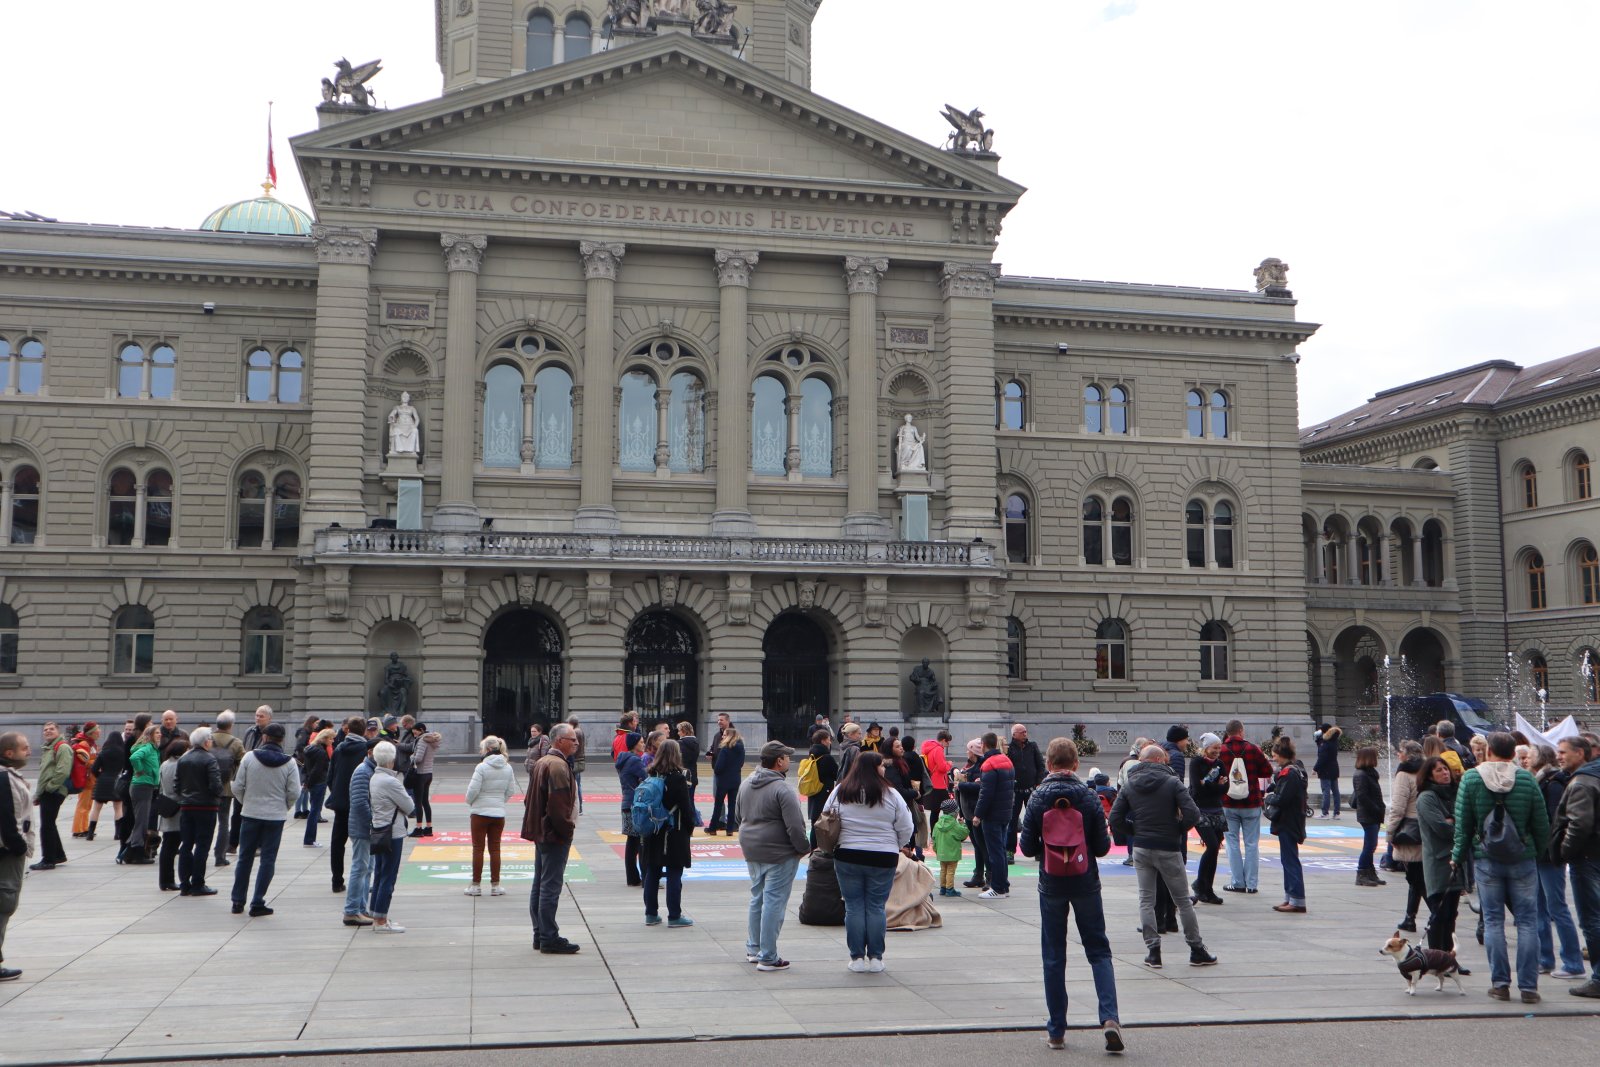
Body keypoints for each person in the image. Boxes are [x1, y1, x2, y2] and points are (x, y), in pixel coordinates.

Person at [1019, 737, 1122, 1053]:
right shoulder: (1088, 797)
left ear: (1049, 764)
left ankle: (1057, 1031)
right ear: (1076, 764)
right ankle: (1109, 1019)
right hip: (1085, 882)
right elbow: (1104, 847)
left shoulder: (1038, 798)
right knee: (1099, 951)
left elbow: (1027, 847)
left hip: (1051, 883)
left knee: (1053, 956)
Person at [1451, 731, 1550, 1003]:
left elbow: (1463, 824)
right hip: (1522, 857)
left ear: (1489, 751)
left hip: (1487, 858)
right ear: (1514, 753)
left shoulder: (1471, 778)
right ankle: (1529, 987)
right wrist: (1537, 851)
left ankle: (1501, 984)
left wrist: (1457, 856)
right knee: (1528, 921)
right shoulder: (1527, 779)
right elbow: (1542, 823)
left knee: (1493, 921)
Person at [1110, 745, 1215, 967]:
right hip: (1168, 846)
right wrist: (1177, 830)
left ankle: (1153, 952)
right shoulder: (1172, 782)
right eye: (1165, 759)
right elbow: (1193, 814)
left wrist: (1136, 831)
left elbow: (1115, 819)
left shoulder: (1129, 784)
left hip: (1142, 847)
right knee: (1182, 902)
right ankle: (1196, 949)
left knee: (1146, 900)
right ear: (1159, 760)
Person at [824, 751, 913, 973]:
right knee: (876, 906)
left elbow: (826, 817)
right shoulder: (891, 794)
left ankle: (856, 958)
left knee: (853, 906)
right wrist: (897, 844)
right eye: (881, 765)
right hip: (883, 856)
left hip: (848, 854)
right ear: (875, 768)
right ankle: (875, 957)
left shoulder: (841, 790)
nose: (884, 769)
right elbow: (906, 826)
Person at [230, 722, 300, 917]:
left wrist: (247, 802)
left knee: (244, 858)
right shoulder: (289, 762)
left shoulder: (249, 757)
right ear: (282, 740)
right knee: (268, 860)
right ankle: (258, 900)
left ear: (264, 738)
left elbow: (237, 786)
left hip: (251, 814)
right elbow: (294, 791)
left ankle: (237, 900)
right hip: (275, 817)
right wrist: (283, 806)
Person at [523, 722, 581, 954]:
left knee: (540, 883)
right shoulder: (557, 766)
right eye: (572, 739)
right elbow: (558, 806)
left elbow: (531, 799)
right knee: (550, 885)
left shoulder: (544, 762)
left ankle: (540, 933)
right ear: (560, 741)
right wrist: (566, 830)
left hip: (542, 831)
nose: (576, 743)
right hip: (553, 833)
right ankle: (548, 936)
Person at [1531, 744, 1586, 979]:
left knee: (1556, 907)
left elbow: (1554, 820)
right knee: (1539, 908)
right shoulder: (1542, 779)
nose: (1524, 759)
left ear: (1541, 758)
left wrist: (1554, 849)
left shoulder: (1552, 782)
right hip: (1539, 853)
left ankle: (1573, 963)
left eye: (1529, 755)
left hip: (1548, 854)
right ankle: (1545, 959)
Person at [1551, 735, 1600, 998]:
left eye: (1563, 752)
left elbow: (1579, 824)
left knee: (1592, 920)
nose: (1558, 756)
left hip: (1588, 858)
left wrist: (1565, 851)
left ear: (1581, 754)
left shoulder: (1582, 782)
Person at [638, 738, 695, 928]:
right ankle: (674, 915)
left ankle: (651, 914)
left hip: (653, 829)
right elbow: (686, 808)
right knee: (674, 873)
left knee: (652, 871)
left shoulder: (651, 774)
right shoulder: (678, 777)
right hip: (674, 830)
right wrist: (690, 826)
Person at [1219, 720, 1273, 894]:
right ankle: (1251, 885)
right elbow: (1267, 771)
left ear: (1227, 733)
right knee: (1251, 844)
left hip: (1228, 802)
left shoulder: (1220, 750)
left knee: (1232, 842)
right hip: (1251, 802)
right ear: (1241, 731)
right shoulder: (1253, 749)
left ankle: (1237, 882)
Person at [366, 741, 415, 933]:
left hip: (379, 828)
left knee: (379, 874)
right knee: (388, 876)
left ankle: (376, 913)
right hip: (392, 832)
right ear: (392, 759)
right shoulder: (391, 782)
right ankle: (381, 920)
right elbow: (410, 807)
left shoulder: (374, 778)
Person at [0, 731, 36, 982]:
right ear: (9, 753)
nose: (29, 751)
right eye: (24, 748)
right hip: (7, 851)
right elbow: (8, 818)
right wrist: (20, 847)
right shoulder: (5, 778)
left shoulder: (8, 776)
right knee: (5, 901)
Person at [464, 735, 518, 898]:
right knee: (495, 849)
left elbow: (473, 790)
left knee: (478, 849)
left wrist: (470, 802)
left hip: (479, 813)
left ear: (487, 749)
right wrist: (500, 802)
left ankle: (476, 885)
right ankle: (495, 885)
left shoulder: (481, 767)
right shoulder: (508, 767)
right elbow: (511, 791)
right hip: (498, 813)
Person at [174, 726, 223, 896]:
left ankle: (184, 883)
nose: (211, 741)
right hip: (206, 807)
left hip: (187, 806)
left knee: (186, 845)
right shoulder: (210, 759)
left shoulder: (184, 759)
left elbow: (176, 784)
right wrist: (216, 795)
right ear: (205, 741)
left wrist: (185, 796)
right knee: (202, 845)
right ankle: (198, 883)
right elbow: (215, 785)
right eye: (210, 738)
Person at [325, 716, 370, 896]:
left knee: (338, 842)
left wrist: (337, 793)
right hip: (361, 803)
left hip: (341, 804)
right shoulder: (366, 750)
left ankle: (337, 881)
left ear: (347, 730)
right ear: (364, 730)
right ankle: (364, 880)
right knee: (364, 843)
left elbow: (330, 777)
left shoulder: (339, 749)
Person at [1386, 739, 1427, 931]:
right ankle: (1410, 918)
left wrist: (1390, 833)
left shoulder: (1404, 774)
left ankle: (1438, 913)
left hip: (1410, 831)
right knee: (1417, 877)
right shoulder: (1427, 771)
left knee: (1416, 877)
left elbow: (1398, 808)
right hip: (1427, 829)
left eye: (1400, 751)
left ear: (1408, 755)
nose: (1397, 754)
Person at [971, 731, 1015, 899]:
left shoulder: (989, 764)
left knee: (994, 852)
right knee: (1001, 851)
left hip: (992, 814)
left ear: (983, 745)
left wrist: (977, 815)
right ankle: (1003, 886)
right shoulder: (1006, 761)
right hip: (1005, 812)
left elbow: (986, 793)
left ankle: (997, 887)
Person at [1267, 737, 1309, 913]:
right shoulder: (1295, 770)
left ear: (1282, 755)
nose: (1273, 759)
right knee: (1287, 860)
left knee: (1290, 860)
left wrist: (1268, 798)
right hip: (1291, 821)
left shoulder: (1289, 773)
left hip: (1288, 822)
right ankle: (1290, 897)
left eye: (1275, 755)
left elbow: (1282, 799)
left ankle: (1297, 900)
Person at [341, 738, 378, 927]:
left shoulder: (371, 770)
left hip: (367, 828)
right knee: (360, 868)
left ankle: (361, 908)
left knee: (367, 868)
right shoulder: (363, 772)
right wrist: (374, 822)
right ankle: (352, 911)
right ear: (371, 752)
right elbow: (360, 803)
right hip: (362, 828)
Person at [1187, 733, 1227, 905]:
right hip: (1200, 808)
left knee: (1215, 847)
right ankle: (1200, 885)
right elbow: (1197, 787)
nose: (1217, 751)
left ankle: (1206, 888)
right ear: (1206, 748)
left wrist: (1212, 785)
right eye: (1214, 748)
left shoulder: (1220, 764)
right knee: (1211, 845)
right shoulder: (1197, 762)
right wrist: (1215, 785)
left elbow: (1225, 787)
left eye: (1219, 748)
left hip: (1216, 808)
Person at [29, 722, 72, 871]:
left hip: (54, 791)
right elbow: (45, 773)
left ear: (57, 731)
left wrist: (50, 787)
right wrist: (39, 793)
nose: (48, 731)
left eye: (51, 729)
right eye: (45, 730)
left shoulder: (62, 747)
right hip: (48, 791)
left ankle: (48, 860)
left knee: (46, 826)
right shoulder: (48, 748)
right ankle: (58, 855)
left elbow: (63, 771)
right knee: (50, 824)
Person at [209, 710, 245, 870]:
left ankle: (201, 851)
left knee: (208, 822)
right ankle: (220, 855)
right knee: (224, 822)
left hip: (207, 788)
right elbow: (244, 763)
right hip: (225, 788)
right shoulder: (236, 743)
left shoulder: (207, 740)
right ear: (231, 725)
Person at [1007, 723, 1047, 859]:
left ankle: (1038, 850)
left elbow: (1041, 765)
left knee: (1035, 819)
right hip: (1015, 790)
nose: (1025, 734)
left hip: (1031, 789)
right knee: (1012, 821)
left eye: (1025, 731)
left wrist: (1039, 782)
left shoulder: (1032, 746)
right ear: (1014, 735)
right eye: (1022, 732)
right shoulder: (1009, 748)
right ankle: (1010, 851)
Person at [122, 724, 160, 865]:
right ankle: (137, 853)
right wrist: (140, 770)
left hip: (145, 785)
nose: (159, 735)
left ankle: (130, 853)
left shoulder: (153, 749)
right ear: (150, 735)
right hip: (142, 786)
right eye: (157, 733)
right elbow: (134, 758)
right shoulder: (148, 748)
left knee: (141, 821)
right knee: (141, 822)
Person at [156, 735, 188, 892]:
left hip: (167, 806)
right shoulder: (180, 765)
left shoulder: (164, 764)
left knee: (167, 846)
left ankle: (165, 880)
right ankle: (169, 880)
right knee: (172, 846)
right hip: (178, 809)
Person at [1351, 744, 1387, 886]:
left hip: (1373, 814)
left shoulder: (1369, 772)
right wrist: (1376, 808)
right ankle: (1361, 873)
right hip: (1368, 814)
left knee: (1372, 844)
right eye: (1375, 756)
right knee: (1369, 845)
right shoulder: (1361, 774)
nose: (1377, 759)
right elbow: (1362, 796)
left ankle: (1370, 872)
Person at [86, 723, 127, 844]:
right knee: (118, 808)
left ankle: (90, 833)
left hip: (103, 781)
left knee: (96, 808)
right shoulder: (123, 753)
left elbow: (94, 769)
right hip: (117, 781)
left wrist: (100, 776)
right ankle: (118, 834)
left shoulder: (104, 752)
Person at [956, 738, 988, 889]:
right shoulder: (970, 765)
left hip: (976, 810)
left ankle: (989, 876)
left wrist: (961, 785)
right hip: (968, 810)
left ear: (974, 752)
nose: (967, 752)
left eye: (969, 749)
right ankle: (978, 874)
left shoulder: (981, 767)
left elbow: (979, 787)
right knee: (977, 844)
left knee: (982, 844)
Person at [616, 732, 646, 886]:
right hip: (635, 805)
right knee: (639, 841)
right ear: (634, 744)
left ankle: (632, 877)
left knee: (632, 841)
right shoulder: (635, 760)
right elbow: (647, 778)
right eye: (641, 742)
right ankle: (641, 876)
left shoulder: (624, 759)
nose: (643, 744)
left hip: (627, 803)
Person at [405, 722, 441, 838]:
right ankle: (429, 827)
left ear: (421, 729)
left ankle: (419, 828)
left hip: (420, 774)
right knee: (425, 801)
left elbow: (419, 758)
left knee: (418, 802)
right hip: (429, 773)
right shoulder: (432, 740)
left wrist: (411, 757)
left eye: (415, 731)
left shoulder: (422, 740)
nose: (413, 733)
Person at [708, 727, 744, 835]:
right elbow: (741, 763)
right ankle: (730, 829)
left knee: (718, 805)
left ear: (729, 736)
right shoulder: (741, 748)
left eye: (724, 735)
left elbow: (718, 766)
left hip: (723, 780)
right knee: (732, 805)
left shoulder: (725, 749)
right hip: (735, 779)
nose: (722, 737)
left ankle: (713, 828)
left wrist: (718, 773)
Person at [301, 728, 333, 847]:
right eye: (330, 738)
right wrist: (310, 782)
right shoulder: (321, 752)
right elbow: (317, 770)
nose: (332, 741)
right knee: (315, 811)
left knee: (313, 810)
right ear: (324, 739)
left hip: (313, 783)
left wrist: (306, 782)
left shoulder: (310, 749)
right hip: (318, 783)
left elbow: (306, 768)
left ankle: (309, 839)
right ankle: (310, 839)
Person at [931, 798, 969, 897]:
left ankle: (942, 888)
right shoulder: (954, 825)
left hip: (941, 852)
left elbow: (934, 838)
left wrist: (936, 850)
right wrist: (962, 824)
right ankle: (950, 888)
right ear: (954, 812)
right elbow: (964, 834)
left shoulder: (937, 825)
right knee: (951, 871)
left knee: (943, 870)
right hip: (952, 853)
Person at [804, 729, 838, 840]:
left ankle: (813, 849)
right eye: (828, 739)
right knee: (821, 824)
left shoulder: (812, 754)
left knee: (815, 822)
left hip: (813, 791)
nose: (830, 742)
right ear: (823, 741)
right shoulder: (827, 758)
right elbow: (836, 774)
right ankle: (819, 848)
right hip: (824, 793)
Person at [69, 723, 99, 839]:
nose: (99, 732)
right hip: (86, 779)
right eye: (97, 730)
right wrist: (96, 762)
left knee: (87, 805)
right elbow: (84, 760)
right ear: (91, 733)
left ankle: (84, 828)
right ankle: (78, 829)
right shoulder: (84, 744)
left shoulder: (90, 743)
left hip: (90, 778)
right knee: (83, 805)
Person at [293, 713, 319, 819]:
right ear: (311, 723)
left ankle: (304, 809)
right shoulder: (304, 732)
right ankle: (298, 810)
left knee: (306, 787)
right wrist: (309, 752)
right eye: (316, 723)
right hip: (302, 762)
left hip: (306, 762)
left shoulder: (310, 733)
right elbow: (299, 746)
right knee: (302, 787)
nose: (317, 725)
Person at [1313, 723, 1343, 817]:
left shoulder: (1325, 744)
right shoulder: (1334, 741)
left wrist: (1315, 768)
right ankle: (1336, 813)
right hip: (1334, 768)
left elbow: (1322, 757)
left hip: (1325, 769)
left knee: (1326, 791)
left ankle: (1325, 812)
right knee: (1335, 791)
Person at [568, 717, 588, 813]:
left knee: (576, 784)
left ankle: (579, 807)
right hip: (579, 759)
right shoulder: (580, 731)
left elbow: (574, 747)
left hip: (576, 760)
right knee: (577, 784)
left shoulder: (575, 732)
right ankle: (579, 807)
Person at [676, 720, 698, 791]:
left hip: (682, 775)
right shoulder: (696, 742)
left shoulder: (680, 743)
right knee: (691, 799)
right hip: (693, 774)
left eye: (679, 731)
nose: (678, 733)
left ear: (684, 731)